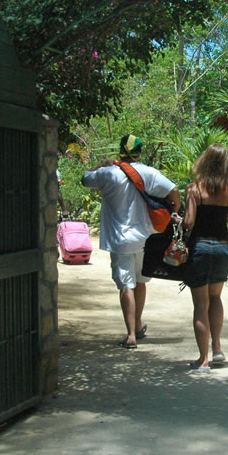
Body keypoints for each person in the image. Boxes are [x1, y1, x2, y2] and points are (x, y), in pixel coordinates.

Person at [82, 135, 181, 349]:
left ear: (119, 151)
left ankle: (130, 336)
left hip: (120, 241)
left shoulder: (107, 174)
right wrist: (174, 211)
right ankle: (137, 325)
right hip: (145, 238)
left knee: (126, 285)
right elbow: (174, 191)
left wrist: (101, 164)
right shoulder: (148, 172)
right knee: (141, 282)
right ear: (140, 152)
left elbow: (84, 179)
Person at [181, 144, 228, 372]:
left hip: (200, 247)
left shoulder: (194, 188)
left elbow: (189, 222)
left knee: (201, 304)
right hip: (222, 247)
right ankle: (217, 348)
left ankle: (202, 360)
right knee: (216, 298)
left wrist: (181, 216)